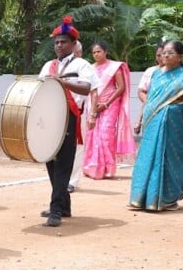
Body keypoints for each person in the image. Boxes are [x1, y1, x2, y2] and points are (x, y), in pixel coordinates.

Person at [129, 40, 183, 211]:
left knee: (173, 157)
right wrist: (140, 119)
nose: (166, 55)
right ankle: (142, 198)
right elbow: (150, 100)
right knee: (147, 158)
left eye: (170, 53)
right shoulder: (155, 74)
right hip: (153, 121)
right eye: (164, 52)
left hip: (177, 119)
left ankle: (168, 198)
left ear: (180, 56)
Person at [38, 17, 97, 227]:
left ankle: (56, 211)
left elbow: (87, 88)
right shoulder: (48, 65)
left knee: (63, 164)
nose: (59, 45)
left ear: (73, 44)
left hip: (69, 117)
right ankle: (64, 205)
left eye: (63, 42)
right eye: (56, 42)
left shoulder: (82, 65)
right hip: (49, 118)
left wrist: (64, 83)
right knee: (49, 160)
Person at [82, 41, 135, 180]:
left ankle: (107, 169)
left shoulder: (114, 67)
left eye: (99, 51)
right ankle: (91, 167)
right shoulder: (90, 68)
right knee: (92, 134)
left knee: (106, 134)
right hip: (93, 103)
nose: (96, 54)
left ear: (106, 52)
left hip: (110, 104)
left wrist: (106, 103)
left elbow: (121, 87)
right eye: (94, 52)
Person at [134, 41, 166, 134]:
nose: (161, 58)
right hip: (150, 111)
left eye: (163, 54)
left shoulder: (176, 73)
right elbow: (141, 91)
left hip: (168, 111)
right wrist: (150, 102)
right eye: (158, 55)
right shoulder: (150, 71)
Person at [68, 40, 85, 192]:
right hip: (60, 114)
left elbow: (92, 91)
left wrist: (92, 114)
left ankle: (72, 181)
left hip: (79, 113)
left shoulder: (83, 66)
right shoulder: (54, 66)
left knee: (78, 148)